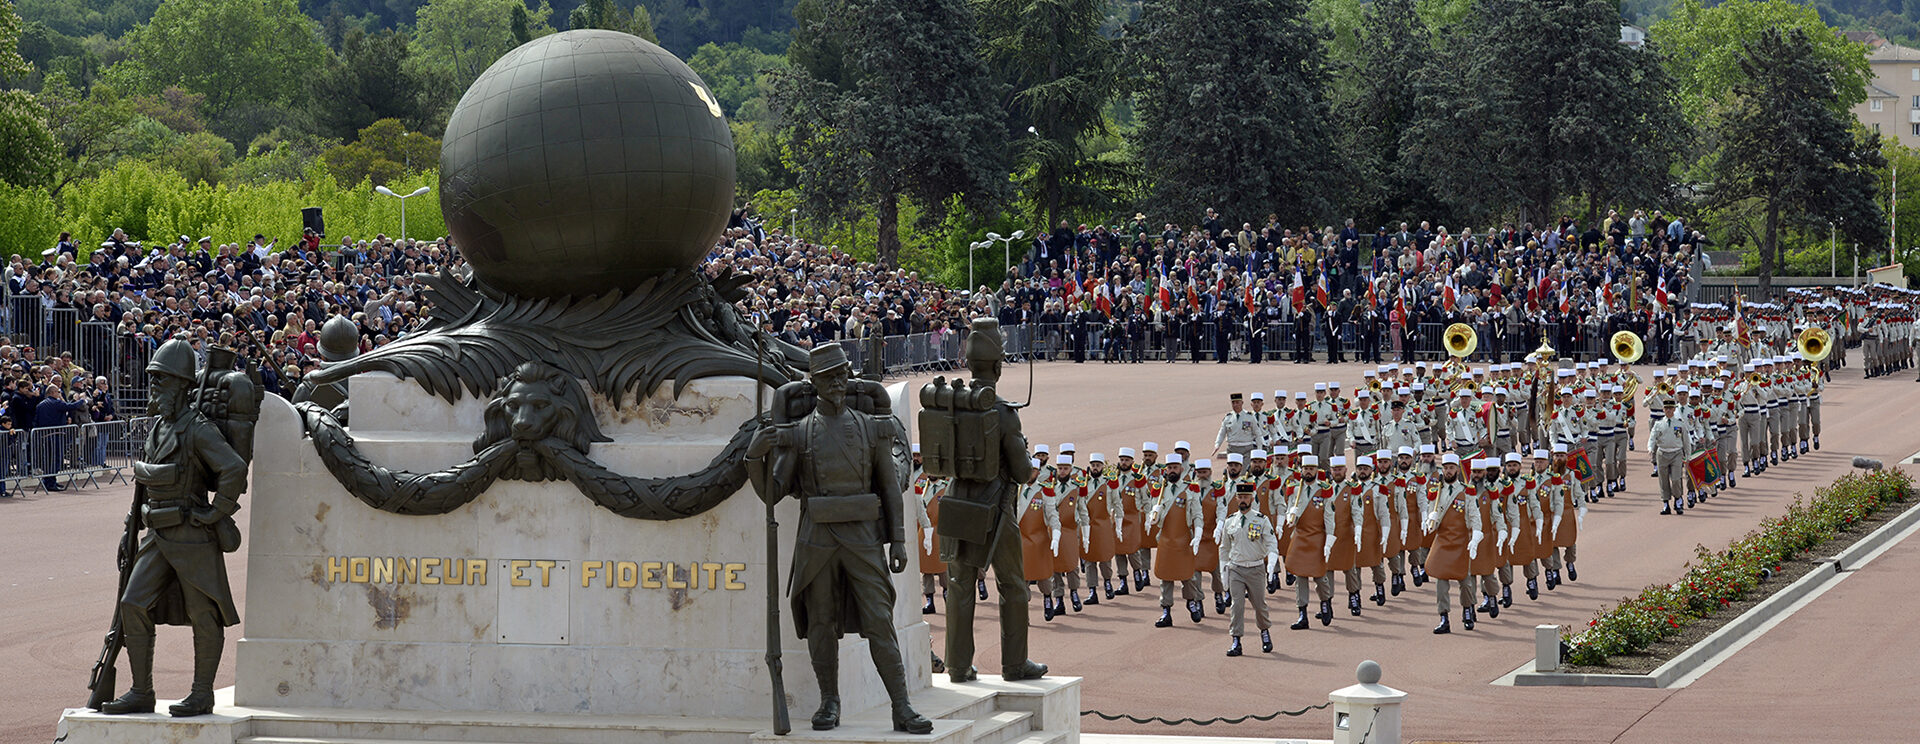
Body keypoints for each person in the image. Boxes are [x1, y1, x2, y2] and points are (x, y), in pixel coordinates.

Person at [747, 342, 931, 733]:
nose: (838, 383)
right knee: (821, 622)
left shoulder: (870, 428)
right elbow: (772, 492)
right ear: (814, 384)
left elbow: (890, 488)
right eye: (829, 377)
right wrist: (753, 457)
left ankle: (902, 705)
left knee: (881, 620)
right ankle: (829, 700)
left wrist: (898, 540)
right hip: (818, 537)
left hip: (864, 536)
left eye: (842, 375)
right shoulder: (799, 434)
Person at [97, 339, 248, 717]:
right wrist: (130, 529)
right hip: (155, 534)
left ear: (182, 386)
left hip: (191, 534)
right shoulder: (160, 428)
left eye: (161, 381)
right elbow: (144, 486)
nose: (154, 389)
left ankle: (201, 693)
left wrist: (218, 512)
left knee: (204, 612)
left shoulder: (198, 429)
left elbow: (232, 468)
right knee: (132, 604)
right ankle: (141, 691)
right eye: (153, 381)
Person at [936, 320, 1047, 685]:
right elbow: (1020, 471)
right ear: (998, 366)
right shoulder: (1002, 412)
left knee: (960, 586)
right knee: (1013, 585)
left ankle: (958, 665)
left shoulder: (950, 402)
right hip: (995, 508)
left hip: (955, 502)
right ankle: (1014, 664)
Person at [1216, 482, 1277, 656]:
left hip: (1256, 568)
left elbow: (1271, 543)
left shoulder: (1261, 519)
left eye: (1246, 497)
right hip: (1236, 569)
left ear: (1252, 498)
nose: (1243, 500)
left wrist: (1271, 563)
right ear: (1236, 498)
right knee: (1237, 605)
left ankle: (1265, 632)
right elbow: (1224, 548)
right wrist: (1223, 570)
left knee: (1259, 605)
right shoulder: (1230, 521)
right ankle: (1236, 640)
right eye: (1240, 497)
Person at [1422, 453, 1480, 634]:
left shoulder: (1466, 491)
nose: (1448, 471)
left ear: (1457, 470)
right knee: (1441, 582)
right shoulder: (1436, 491)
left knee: (1465, 581)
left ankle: (1468, 610)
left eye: (1451, 468)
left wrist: (1477, 534)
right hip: (1443, 540)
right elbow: (1431, 524)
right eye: (1445, 468)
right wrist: (1430, 521)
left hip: (1461, 541)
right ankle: (1444, 617)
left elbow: (1474, 515)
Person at [1148, 453, 1202, 626]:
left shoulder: (1190, 489)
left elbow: (1197, 514)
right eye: (1169, 468)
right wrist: (1153, 515)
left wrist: (1199, 533)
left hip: (1183, 539)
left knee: (1188, 576)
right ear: (1166, 470)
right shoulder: (1160, 490)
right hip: (1166, 539)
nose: (1172, 470)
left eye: (1175, 468)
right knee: (1166, 577)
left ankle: (1191, 602)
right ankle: (1166, 611)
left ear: (1181, 469)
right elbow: (1153, 514)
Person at [1282, 454, 1333, 629]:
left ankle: (1325, 602)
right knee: (1300, 576)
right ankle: (1302, 614)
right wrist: (1291, 515)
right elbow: (1289, 514)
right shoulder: (1295, 489)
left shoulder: (1324, 490)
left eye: (1311, 469)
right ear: (1301, 470)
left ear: (1316, 470)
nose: (1308, 472)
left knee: (1319, 576)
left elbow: (1329, 518)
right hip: (1300, 537)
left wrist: (1329, 541)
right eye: (1305, 469)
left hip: (1317, 538)